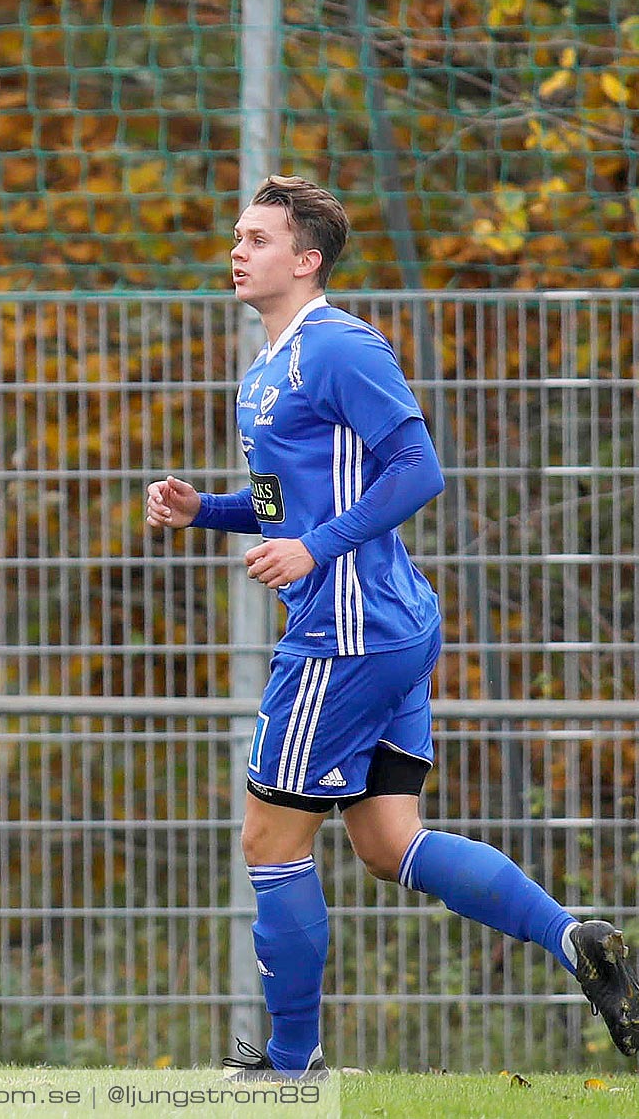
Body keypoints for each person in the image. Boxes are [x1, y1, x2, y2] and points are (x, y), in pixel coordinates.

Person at [145, 174, 639, 1076]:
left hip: (345, 635)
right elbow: (280, 501)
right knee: (387, 843)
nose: (237, 250)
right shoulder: (265, 368)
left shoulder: (338, 347)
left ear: (307, 259)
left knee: (269, 838)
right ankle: (577, 941)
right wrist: (202, 510)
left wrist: (316, 551)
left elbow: (418, 470)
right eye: (237, 236)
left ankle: (291, 1070)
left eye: (257, 239)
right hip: (389, 629)